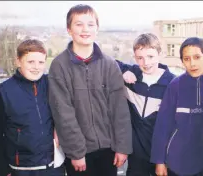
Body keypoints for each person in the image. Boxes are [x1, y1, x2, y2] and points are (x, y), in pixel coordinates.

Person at [48, 4, 132, 176]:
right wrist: (76, 152)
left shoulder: (109, 65)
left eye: (90, 24)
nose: (85, 29)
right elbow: (63, 113)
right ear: (69, 29)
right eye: (78, 24)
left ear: (97, 29)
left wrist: (122, 147)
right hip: (80, 153)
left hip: (109, 150)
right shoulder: (59, 66)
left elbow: (120, 111)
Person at [0, 39, 65, 176]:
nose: (36, 67)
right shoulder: (3, 91)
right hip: (21, 169)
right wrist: (3, 169)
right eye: (30, 62)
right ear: (18, 61)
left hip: (53, 167)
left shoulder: (51, 84)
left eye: (41, 62)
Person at [150, 37, 203, 176]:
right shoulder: (175, 85)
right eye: (187, 58)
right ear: (182, 61)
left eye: (197, 57)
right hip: (177, 162)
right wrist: (159, 161)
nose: (192, 63)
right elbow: (163, 125)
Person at [116, 33, 176, 176]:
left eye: (150, 57)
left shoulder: (172, 84)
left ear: (160, 54)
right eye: (140, 58)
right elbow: (108, 62)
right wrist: (124, 71)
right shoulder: (133, 76)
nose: (146, 63)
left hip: (162, 156)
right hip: (136, 157)